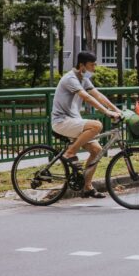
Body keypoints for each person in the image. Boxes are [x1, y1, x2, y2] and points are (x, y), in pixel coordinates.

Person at [51, 51, 122, 198]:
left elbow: (97, 95)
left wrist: (116, 110)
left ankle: (87, 187)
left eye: (95, 64)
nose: (94, 68)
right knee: (96, 126)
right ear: (82, 65)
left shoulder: (83, 78)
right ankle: (70, 152)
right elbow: (86, 97)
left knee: (97, 150)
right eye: (91, 65)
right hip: (61, 121)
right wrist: (107, 113)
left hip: (73, 120)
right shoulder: (70, 78)